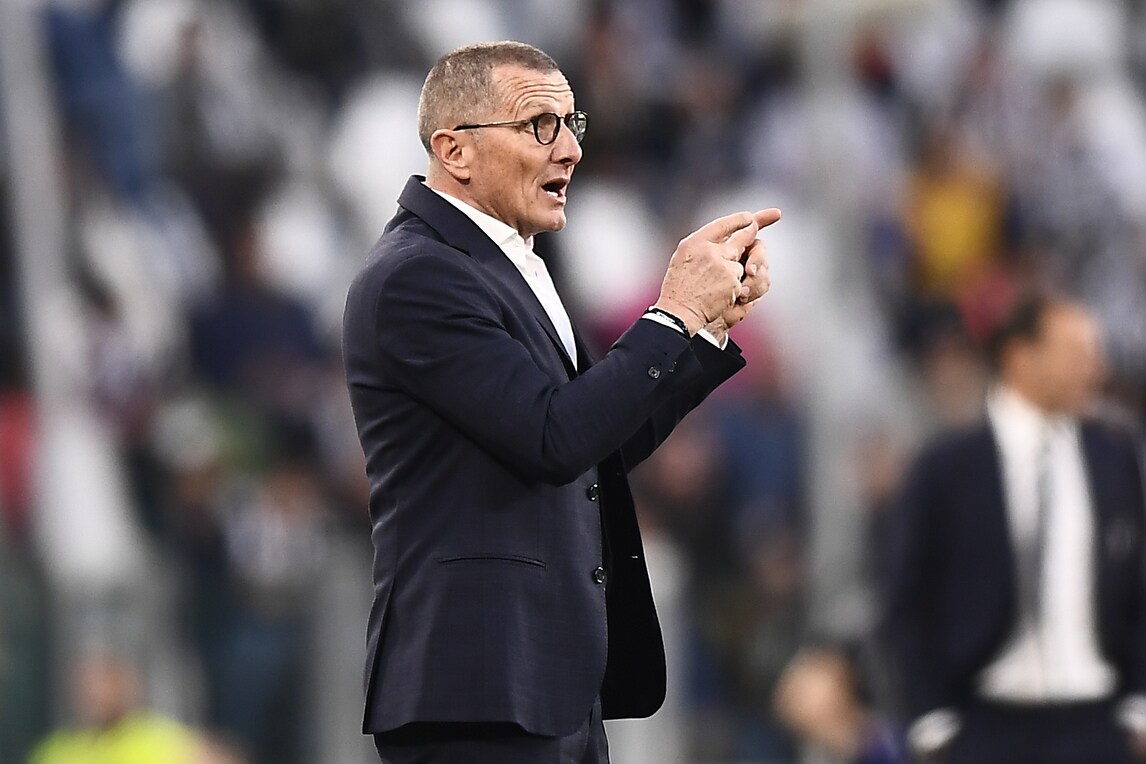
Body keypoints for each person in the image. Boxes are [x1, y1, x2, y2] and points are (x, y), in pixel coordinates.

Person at [341, 40, 779, 763]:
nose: (571, 149)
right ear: (455, 150)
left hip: (544, 686)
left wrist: (703, 329)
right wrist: (671, 312)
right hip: (476, 692)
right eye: (540, 125)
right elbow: (556, 438)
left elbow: (594, 445)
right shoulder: (417, 277)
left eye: (573, 124)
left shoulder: (508, 264)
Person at [882, 294, 1146, 763]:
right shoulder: (947, 468)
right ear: (1020, 357)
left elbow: (1137, 587)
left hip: (1098, 725)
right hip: (986, 724)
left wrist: (1138, 704)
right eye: (1075, 354)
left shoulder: (1114, 456)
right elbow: (907, 599)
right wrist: (931, 717)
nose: (1095, 371)